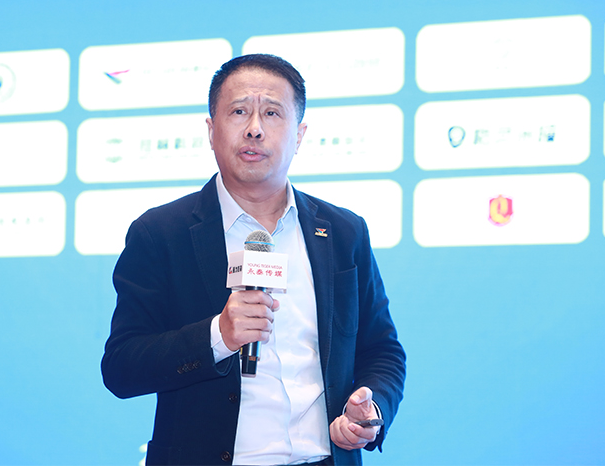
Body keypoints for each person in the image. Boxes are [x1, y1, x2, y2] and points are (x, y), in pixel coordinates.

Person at [102, 54, 406, 466]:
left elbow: (383, 350)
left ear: (299, 135)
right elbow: (121, 368)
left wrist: (371, 410)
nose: (255, 128)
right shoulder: (160, 233)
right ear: (211, 130)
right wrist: (219, 335)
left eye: (272, 113)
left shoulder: (343, 232)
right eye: (239, 111)